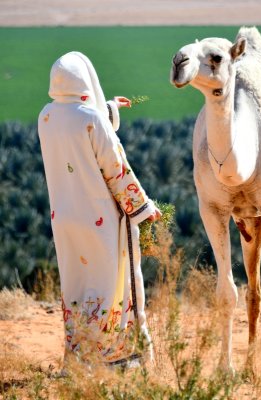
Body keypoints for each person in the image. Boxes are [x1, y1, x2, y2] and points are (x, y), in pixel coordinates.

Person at [38, 51, 160, 369]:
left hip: (64, 219)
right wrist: (142, 207)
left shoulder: (46, 116)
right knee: (108, 284)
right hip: (98, 219)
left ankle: (77, 356)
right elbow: (115, 168)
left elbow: (76, 128)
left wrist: (109, 108)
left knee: (76, 284)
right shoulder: (91, 119)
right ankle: (108, 358)